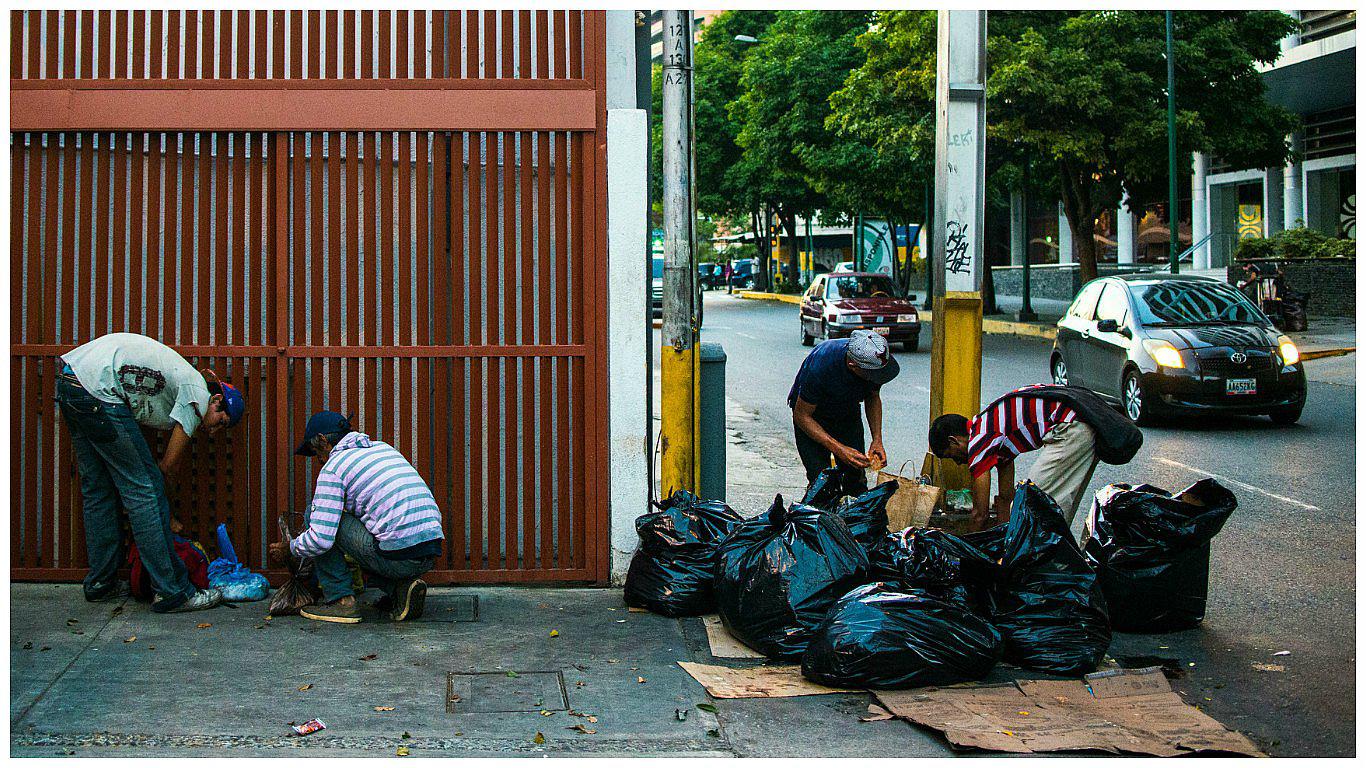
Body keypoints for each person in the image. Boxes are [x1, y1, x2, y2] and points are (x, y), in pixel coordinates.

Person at [57, 332, 246, 612]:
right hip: (99, 388)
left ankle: (101, 584)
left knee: (98, 489)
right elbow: (168, 467)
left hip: (72, 379)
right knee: (145, 490)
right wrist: (168, 517)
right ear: (216, 399)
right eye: (221, 421)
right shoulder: (197, 392)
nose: (214, 430)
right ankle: (173, 591)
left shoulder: (184, 380)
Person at [270, 411, 445, 624]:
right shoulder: (382, 447)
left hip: (398, 558)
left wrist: (289, 548)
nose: (319, 461)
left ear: (324, 441)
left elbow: (320, 539)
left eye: (317, 453)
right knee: (368, 532)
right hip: (430, 552)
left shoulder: (333, 468)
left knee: (315, 516)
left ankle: (342, 601)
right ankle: (401, 589)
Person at [928, 383, 1142, 532]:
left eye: (952, 457)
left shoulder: (979, 440)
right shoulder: (993, 431)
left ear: (954, 441)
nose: (959, 463)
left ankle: (1044, 565)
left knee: (1032, 506)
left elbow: (979, 515)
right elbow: (1005, 498)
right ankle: (1053, 567)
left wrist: (967, 554)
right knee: (1054, 510)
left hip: (1069, 429)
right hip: (1080, 426)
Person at [788, 329, 900, 497]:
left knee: (855, 477)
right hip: (812, 417)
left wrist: (877, 439)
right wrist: (839, 449)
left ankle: (854, 519)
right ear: (852, 365)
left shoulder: (872, 364)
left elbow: (873, 396)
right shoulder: (822, 365)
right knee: (822, 481)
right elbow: (802, 416)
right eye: (871, 374)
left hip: (847, 411)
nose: (875, 377)